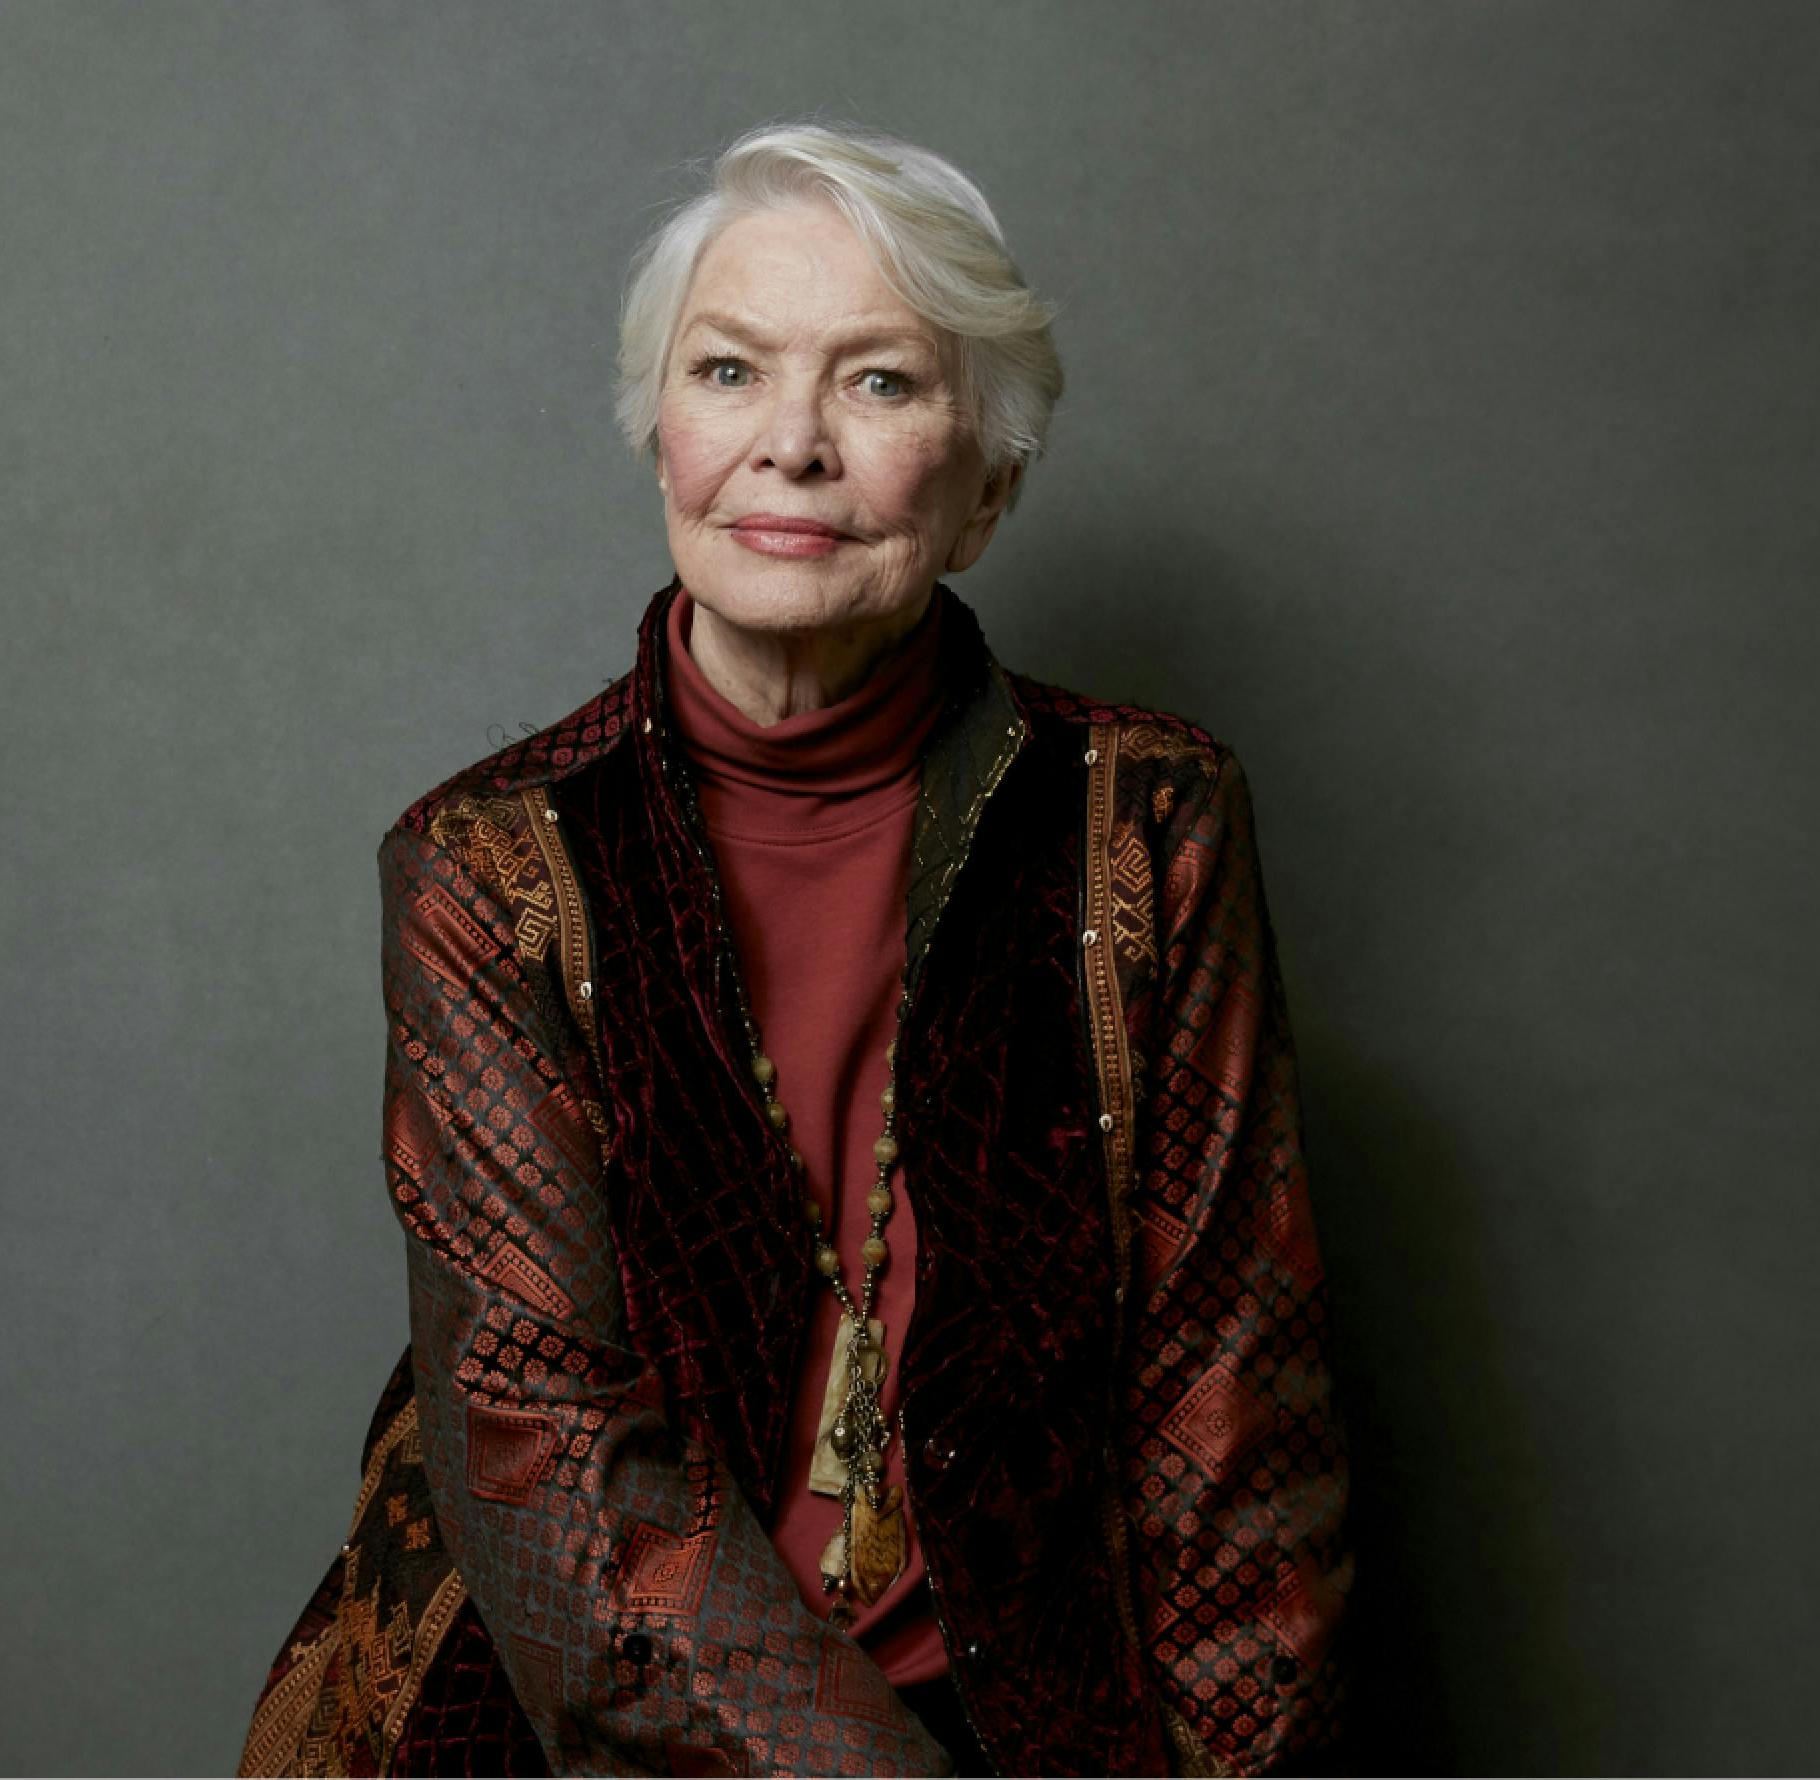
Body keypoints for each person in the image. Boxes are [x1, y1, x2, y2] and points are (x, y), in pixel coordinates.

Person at [239, 120, 1351, 1778]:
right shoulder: (488, 866)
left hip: (1031, 1724)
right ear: (659, 435)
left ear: (986, 489)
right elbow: (546, 1449)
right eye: (732, 369)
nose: (794, 447)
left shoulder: (1146, 826)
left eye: (882, 383)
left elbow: (1231, 1410)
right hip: (583, 1727)